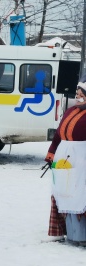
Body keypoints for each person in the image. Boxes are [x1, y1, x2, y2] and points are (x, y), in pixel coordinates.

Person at [45, 76, 86, 245]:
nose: (77, 97)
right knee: (63, 192)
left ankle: (81, 235)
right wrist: (51, 154)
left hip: (82, 159)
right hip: (65, 158)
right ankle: (63, 230)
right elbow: (58, 136)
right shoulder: (70, 111)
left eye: (81, 94)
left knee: (81, 194)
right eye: (77, 93)